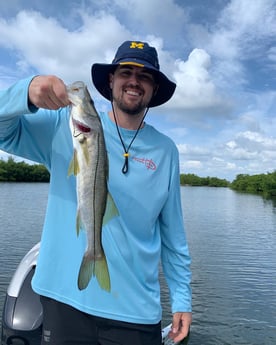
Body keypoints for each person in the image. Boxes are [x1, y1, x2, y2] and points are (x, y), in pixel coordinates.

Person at [0, 40, 192, 344]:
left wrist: (181, 297)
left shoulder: (166, 150)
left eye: (144, 76)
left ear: (154, 89)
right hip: (63, 299)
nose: (133, 81)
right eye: (125, 72)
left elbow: (173, 234)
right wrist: (26, 91)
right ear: (111, 81)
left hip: (136, 310)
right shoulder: (63, 125)